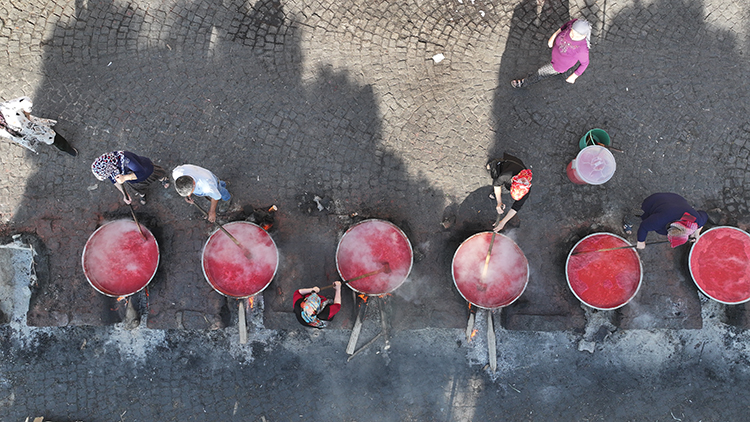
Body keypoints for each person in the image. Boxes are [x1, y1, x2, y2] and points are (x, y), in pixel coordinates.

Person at [511, 19, 591, 88]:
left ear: (584, 35)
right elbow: (564, 27)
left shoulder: (582, 49)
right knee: (564, 70)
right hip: (557, 56)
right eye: (572, 33)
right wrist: (553, 37)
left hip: (559, 65)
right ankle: (565, 72)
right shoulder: (572, 23)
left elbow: (585, 63)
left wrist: (574, 76)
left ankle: (524, 82)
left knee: (541, 72)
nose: (573, 37)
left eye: (577, 36)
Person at [626, 193, 708, 249]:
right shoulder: (660, 220)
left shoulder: (696, 221)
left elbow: (704, 215)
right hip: (655, 200)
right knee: (638, 213)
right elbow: (644, 227)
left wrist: (697, 232)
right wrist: (641, 241)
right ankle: (628, 222)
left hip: (677, 200)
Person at [0, 96, 77, 156]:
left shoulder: (6, 108)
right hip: (23, 137)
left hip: (36, 128)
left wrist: (27, 115)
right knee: (43, 135)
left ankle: (66, 148)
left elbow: (26, 100)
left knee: (52, 138)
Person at [91, 151, 169, 205]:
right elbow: (114, 180)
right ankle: (142, 195)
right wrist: (125, 194)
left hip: (146, 170)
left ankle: (164, 179)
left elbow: (141, 172)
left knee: (158, 174)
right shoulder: (110, 166)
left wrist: (125, 178)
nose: (109, 175)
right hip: (134, 181)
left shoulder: (126, 159)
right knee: (140, 189)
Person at [486, 153, 532, 232]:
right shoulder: (506, 175)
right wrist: (499, 202)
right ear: (512, 183)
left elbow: (516, 207)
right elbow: (497, 185)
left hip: (516, 168)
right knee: (494, 175)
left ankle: (499, 192)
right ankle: (495, 163)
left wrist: (503, 222)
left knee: (503, 190)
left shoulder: (526, 189)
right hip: (508, 163)